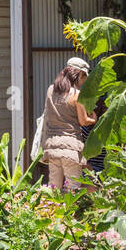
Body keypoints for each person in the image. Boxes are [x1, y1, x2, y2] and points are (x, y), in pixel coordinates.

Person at [40, 57, 97, 192]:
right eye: (84, 77)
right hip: (70, 146)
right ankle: (71, 212)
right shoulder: (77, 95)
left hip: (52, 145)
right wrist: (94, 119)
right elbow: (83, 121)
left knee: (54, 187)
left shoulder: (50, 90)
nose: (83, 82)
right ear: (78, 75)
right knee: (73, 187)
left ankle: (50, 211)